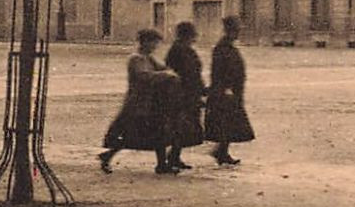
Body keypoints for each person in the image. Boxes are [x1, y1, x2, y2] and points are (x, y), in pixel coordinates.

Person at [98, 28, 180, 175]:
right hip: (138, 104)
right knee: (132, 136)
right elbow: (145, 76)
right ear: (145, 42)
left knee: (157, 132)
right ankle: (108, 156)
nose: (155, 46)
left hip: (149, 103)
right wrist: (166, 75)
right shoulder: (136, 59)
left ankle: (161, 164)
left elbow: (162, 68)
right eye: (154, 42)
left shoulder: (148, 58)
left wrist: (169, 71)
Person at [205, 16, 256, 166]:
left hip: (232, 90)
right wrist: (224, 88)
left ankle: (222, 151)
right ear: (230, 31)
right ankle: (221, 151)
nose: (238, 33)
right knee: (227, 122)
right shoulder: (222, 48)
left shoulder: (228, 46)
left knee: (229, 122)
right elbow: (219, 71)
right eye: (236, 30)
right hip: (225, 91)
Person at [163, 21, 207, 171]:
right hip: (181, 94)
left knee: (185, 126)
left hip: (190, 93)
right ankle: (171, 157)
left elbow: (195, 72)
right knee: (180, 126)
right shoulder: (177, 50)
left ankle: (175, 156)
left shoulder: (187, 50)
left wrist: (201, 90)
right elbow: (176, 72)